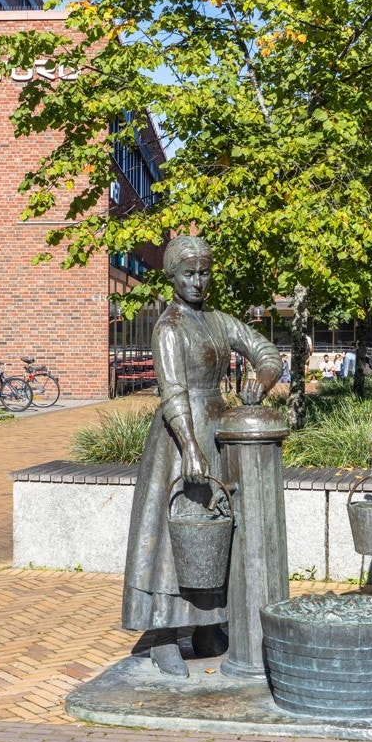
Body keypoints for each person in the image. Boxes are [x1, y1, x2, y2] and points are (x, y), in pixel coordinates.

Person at [122, 235, 284, 677]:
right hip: (181, 438)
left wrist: (262, 378)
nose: (198, 281)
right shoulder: (169, 327)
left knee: (215, 530)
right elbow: (172, 391)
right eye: (189, 273)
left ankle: (207, 624)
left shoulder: (218, 320)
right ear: (171, 276)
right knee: (177, 533)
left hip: (217, 428)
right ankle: (163, 635)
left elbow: (267, 352)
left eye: (204, 272)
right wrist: (190, 448)